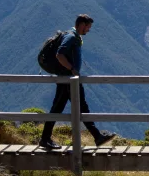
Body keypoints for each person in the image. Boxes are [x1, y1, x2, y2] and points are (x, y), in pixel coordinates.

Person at [38, 14, 117, 149]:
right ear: (81, 25)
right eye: (87, 27)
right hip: (68, 80)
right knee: (65, 107)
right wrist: (72, 69)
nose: (88, 30)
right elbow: (59, 54)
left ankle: (97, 136)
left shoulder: (72, 36)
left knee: (66, 107)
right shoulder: (71, 37)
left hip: (68, 79)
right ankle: (45, 139)